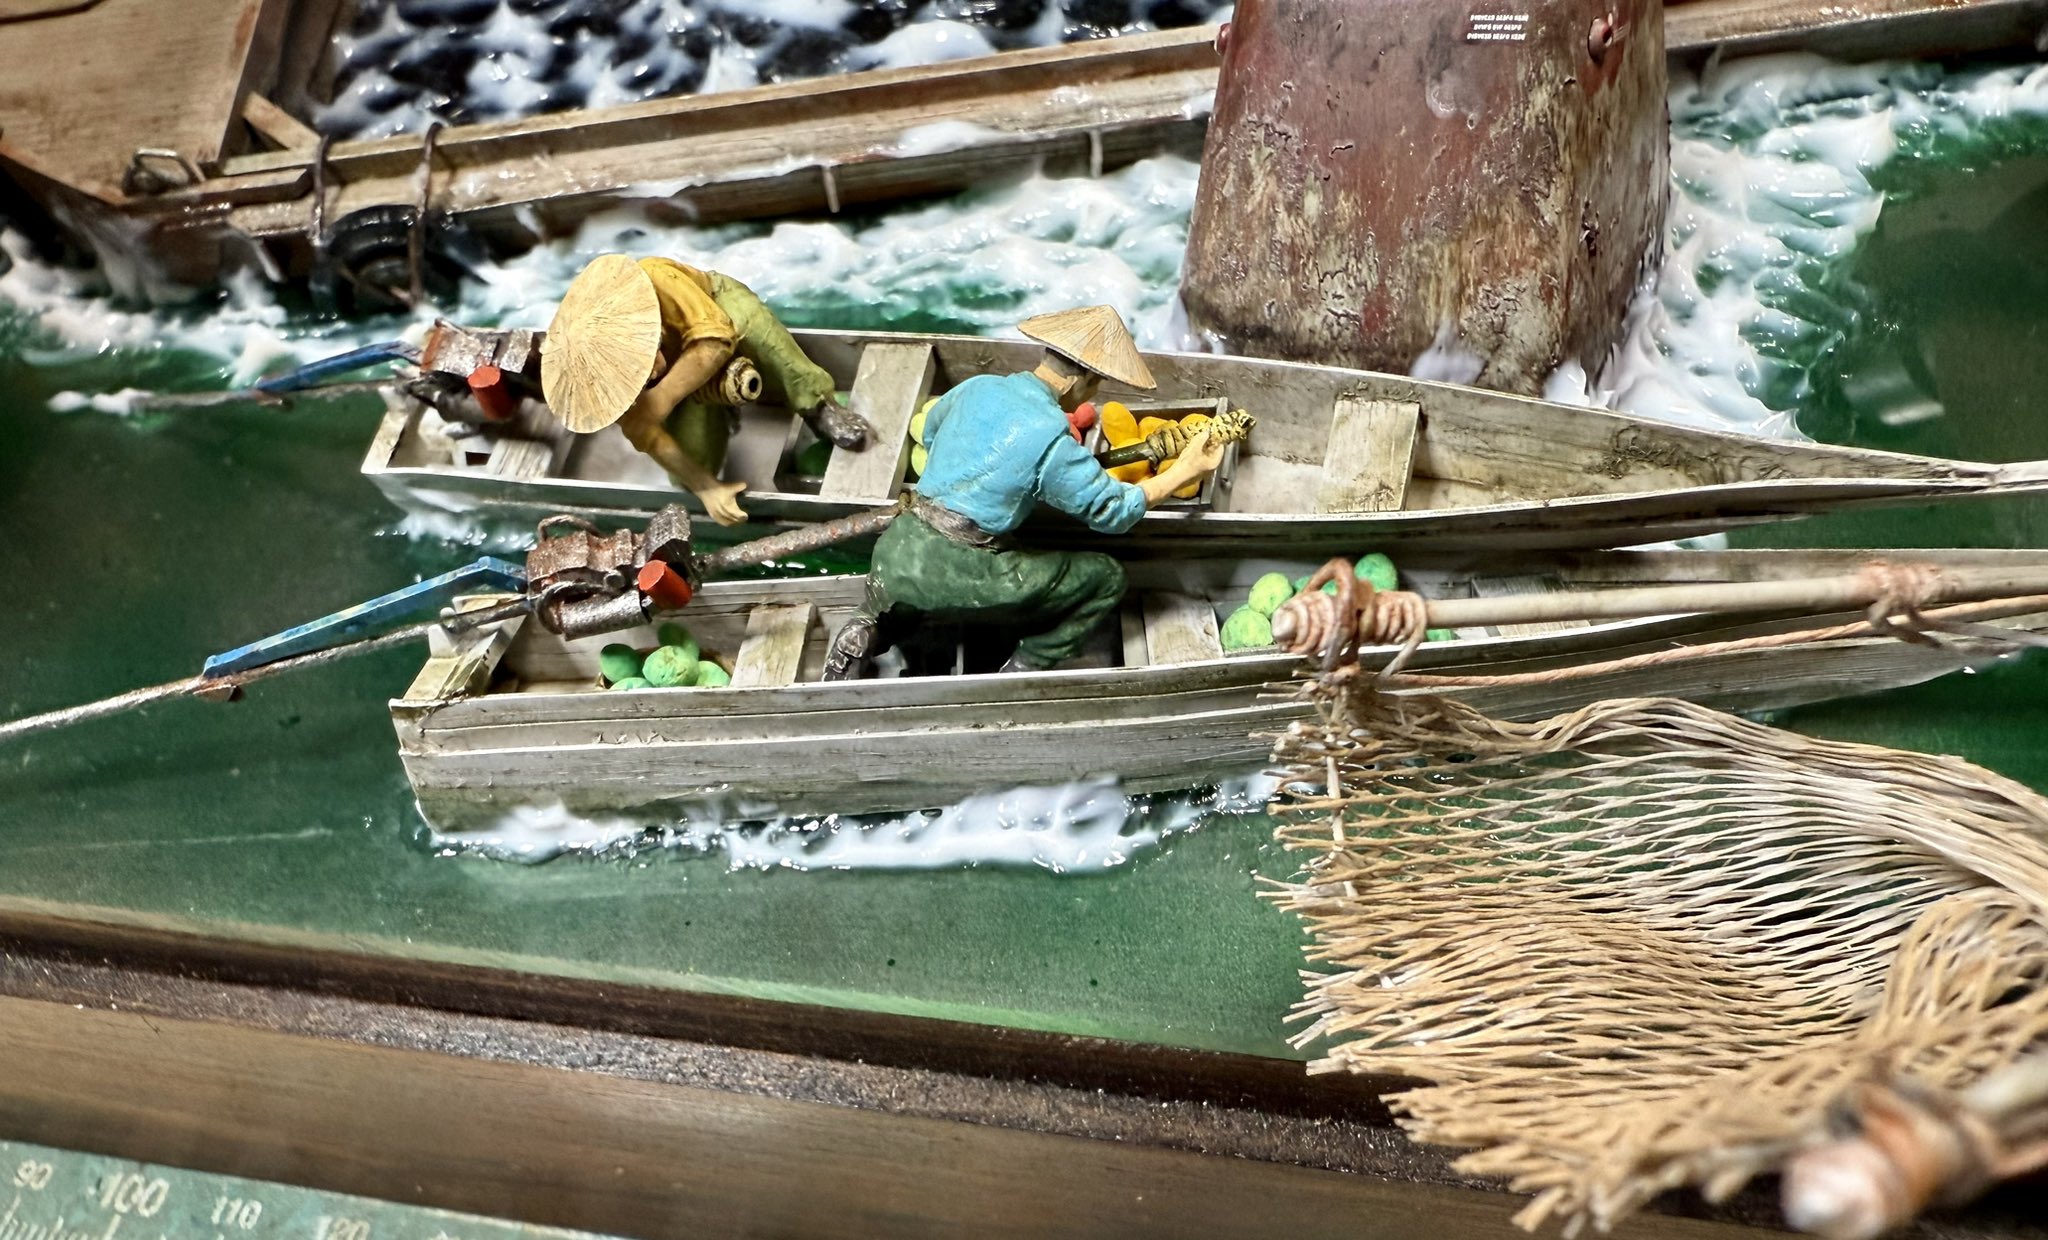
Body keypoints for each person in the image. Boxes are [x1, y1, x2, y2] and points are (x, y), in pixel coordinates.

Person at [824, 305, 1226, 678]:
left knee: (896, 604)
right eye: (1096, 383)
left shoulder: (976, 387)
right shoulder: (1051, 436)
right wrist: (1185, 470)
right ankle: (1027, 665)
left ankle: (865, 628)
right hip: (959, 566)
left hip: (898, 546)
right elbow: (1114, 511)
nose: (1093, 393)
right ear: (1077, 379)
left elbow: (931, 433)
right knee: (1107, 577)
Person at [540, 254, 871, 525]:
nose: (652, 370)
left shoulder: (656, 277)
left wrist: (662, 397)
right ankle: (716, 424)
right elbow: (649, 435)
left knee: (757, 331)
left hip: (718, 312)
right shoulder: (607, 382)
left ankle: (819, 406)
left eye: (647, 354)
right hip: (681, 382)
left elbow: (716, 339)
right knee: (690, 465)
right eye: (638, 373)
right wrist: (708, 488)